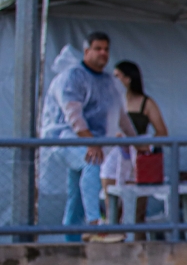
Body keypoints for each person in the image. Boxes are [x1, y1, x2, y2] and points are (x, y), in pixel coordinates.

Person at [39, 33, 138, 241]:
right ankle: (95, 225)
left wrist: (136, 141)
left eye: (106, 49)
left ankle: (72, 244)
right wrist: (90, 142)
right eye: (98, 48)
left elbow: (121, 116)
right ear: (86, 51)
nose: (103, 53)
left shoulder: (110, 82)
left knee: (76, 194)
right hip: (65, 138)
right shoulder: (72, 78)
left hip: (90, 142)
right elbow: (73, 115)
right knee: (92, 162)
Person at [100, 61, 170, 227]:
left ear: (128, 79)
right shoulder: (111, 101)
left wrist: (145, 144)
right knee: (112, 209)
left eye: (117, 76)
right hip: (113, 157)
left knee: (135, 212)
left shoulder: (146, 103)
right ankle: (113, 236)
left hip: (137, 159)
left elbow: (162, 131)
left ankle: (137, 239)